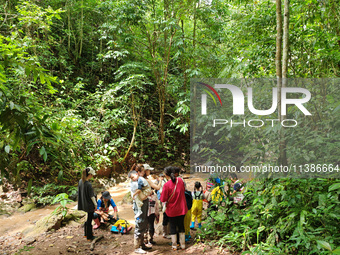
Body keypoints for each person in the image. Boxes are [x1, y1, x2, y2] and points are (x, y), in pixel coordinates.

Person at [160, 166, 188, 250]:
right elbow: (183, 190)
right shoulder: (180, 181)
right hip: (182, 208)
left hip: (171, 210)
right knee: (181, 225)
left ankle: (174, 245)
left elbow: (163, 199)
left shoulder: (166, 185)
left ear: (166, 175)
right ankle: (183, 245)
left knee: (172, 227)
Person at [129, 170, 151, 254]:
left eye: (133, 177)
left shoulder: (140, 180)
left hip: (144, 202)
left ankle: (142, 244)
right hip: (139, 205)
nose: (133, 179)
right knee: (139, 222)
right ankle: (137, 247)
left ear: (137, 174)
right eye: (131, 178)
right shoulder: (134, 183)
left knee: (144, 222)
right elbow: (136, 193)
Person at [78, 167, 97, 241]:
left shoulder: (80, 181)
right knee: (89, 220)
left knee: (88, 219)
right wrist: (95, 205)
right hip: (89, 204)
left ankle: (86, 234)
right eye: (92, 175)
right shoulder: (88, 184)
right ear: (89, 175)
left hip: (83, 203)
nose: (92, 176)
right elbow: (92, 196)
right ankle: (89, 236)